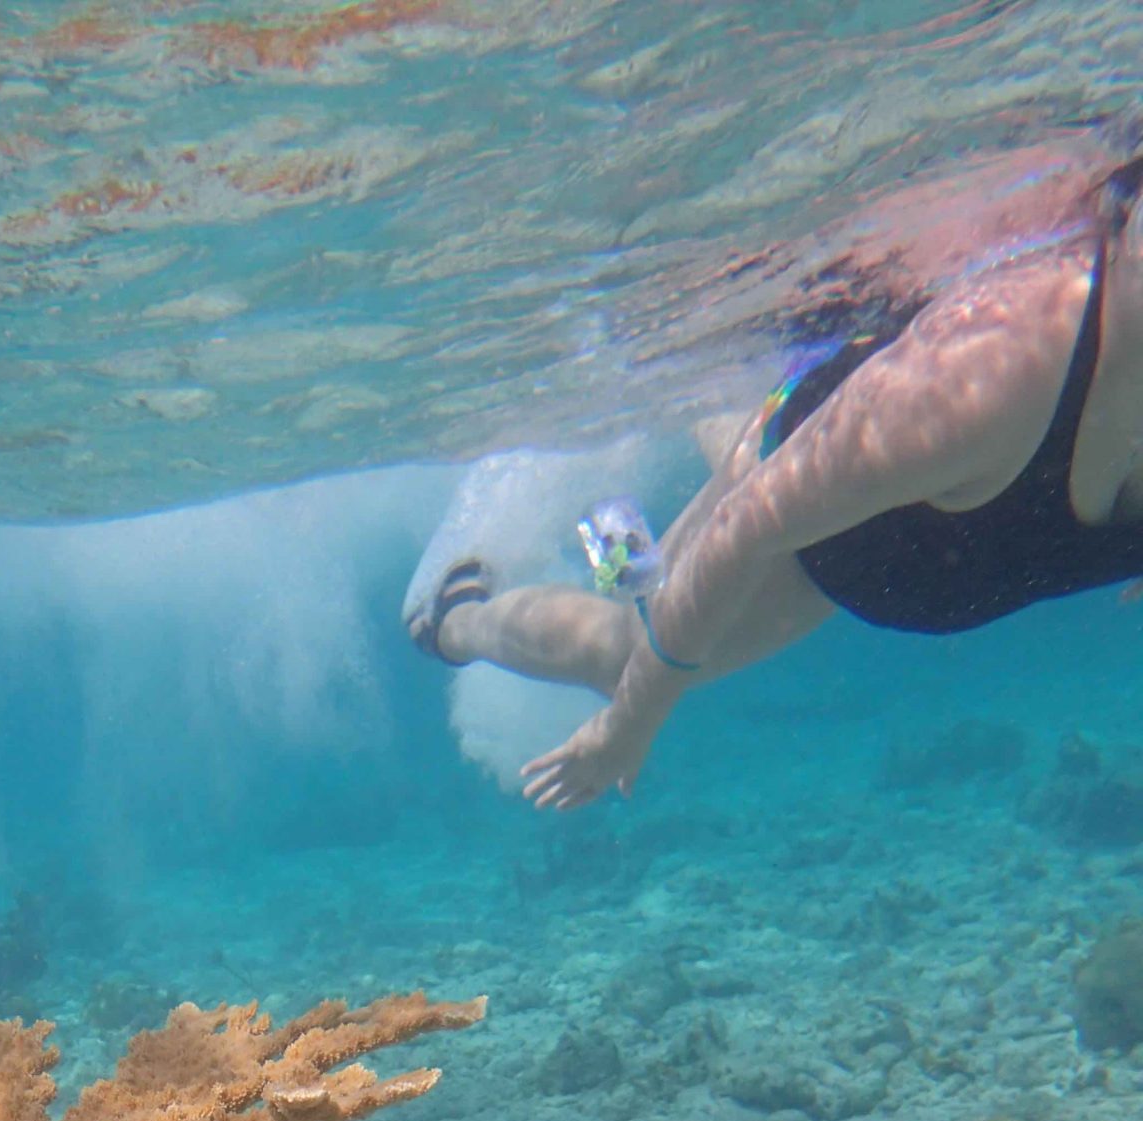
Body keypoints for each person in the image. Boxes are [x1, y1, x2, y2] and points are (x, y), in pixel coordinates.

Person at [407, 153, 1143, 812]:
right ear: (1122, 207)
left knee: (738, 472)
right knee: (624, 651)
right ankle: (454, 617)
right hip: (832, 532)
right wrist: (626, 724)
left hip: (893, 515)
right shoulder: (985, 377)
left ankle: (633, 466)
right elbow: (743, 532)